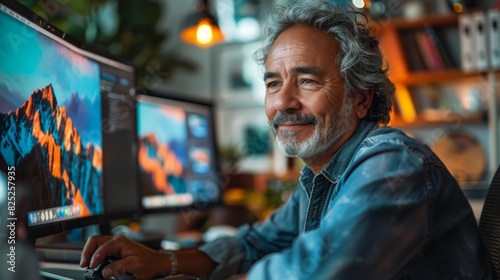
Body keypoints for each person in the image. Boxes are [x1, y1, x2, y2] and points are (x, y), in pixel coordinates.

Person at [80, 1, 496, 279]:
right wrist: (165, 261)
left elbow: (315, 270)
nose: (283, 102)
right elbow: (258, 241)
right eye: (273, 82)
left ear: (360, 99)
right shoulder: (323, 175)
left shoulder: (391, 163)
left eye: (307, 80)